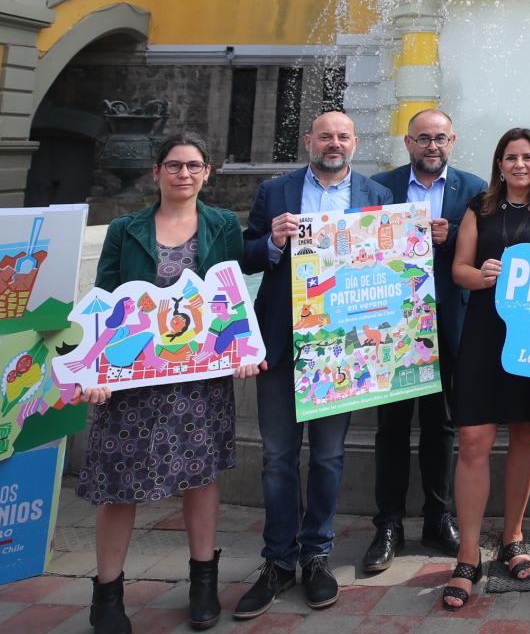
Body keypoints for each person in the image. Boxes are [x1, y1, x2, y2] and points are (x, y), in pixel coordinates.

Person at [78, 133, 259, 634]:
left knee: (201, 478)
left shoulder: (222, 226)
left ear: (207, 173)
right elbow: (104, 302)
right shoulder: (125, 230)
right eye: (174, 165)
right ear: (156, 172)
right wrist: (96, 370)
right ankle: (107, 595)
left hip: (197, 380)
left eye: (194, 166)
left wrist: (241, 349)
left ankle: (203, 582)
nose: (184, 174)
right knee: (119, 485)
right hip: (133, 378)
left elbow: (233, 294)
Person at [234, 112, 394, 618]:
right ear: (308, 141)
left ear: (355, 142)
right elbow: (244, 255)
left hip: (341, 347)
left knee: (328, 456)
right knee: (278, 458)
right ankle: (278, 561)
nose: (334, 143)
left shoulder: (377, 196)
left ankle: (317, 554)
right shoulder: (275, 191)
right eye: (325, 135)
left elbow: (391, 269)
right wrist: (272, 243)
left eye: (343, 135)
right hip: (282, 342)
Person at [445, 128, 530, 609]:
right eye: (510, 157)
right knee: (474, 439)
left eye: (527, 156)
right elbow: (459, 267)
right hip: (484, 333)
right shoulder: (479, 208)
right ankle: (467, 554)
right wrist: (482, 276)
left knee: (524, 431)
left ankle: (513, 537)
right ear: (499, 163)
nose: (519, 164)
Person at [363, 108, 484, 573]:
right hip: (391, 330)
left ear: (452, 141)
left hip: (450, 326)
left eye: (440, 138)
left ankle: (439, 516)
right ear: (408, 142)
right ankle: (388, 524)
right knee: (391, 428)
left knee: (443, 427)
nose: (431, 146)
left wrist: (452, 238)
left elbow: (485, 250)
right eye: (422, 138)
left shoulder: (473, 190)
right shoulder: (380, 188)